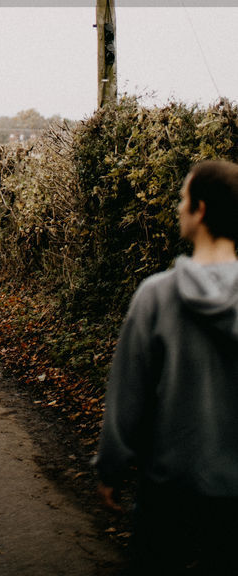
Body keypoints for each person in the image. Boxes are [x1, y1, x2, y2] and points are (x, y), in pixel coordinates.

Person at [94, 158, 238, 573]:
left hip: (169, 490)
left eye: (182, 198)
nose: (177, 207)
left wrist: (111, 466)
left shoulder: (156, 296)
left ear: (202, 210)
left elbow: (128, 392)